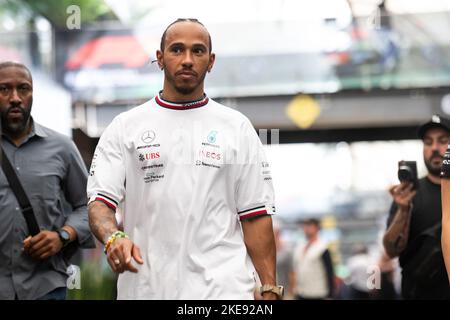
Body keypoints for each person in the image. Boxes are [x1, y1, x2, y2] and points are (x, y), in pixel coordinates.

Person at [87, 18, 280, 300]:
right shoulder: (125, 127)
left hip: (224, 292)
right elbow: (100, 204)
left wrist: (270, 287)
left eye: (198, 51)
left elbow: (255, 216)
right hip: (146, 290)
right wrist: (113, 237)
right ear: (160, 58)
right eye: (177, 50)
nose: (187, 60)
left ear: (211, 61)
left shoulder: (237, 128)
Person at [0, 61, 94, 300]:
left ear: (32, 94)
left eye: (23, 89)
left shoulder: (61, 148)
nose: (15, 98)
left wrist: (63, 235)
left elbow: (89, 206)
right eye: (4, 89)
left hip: (45, 287)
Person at [383, 114, 450, 299]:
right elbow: (391, 250)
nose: (435, 148)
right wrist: (403, 211)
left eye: (443, 141)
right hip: (418, 292)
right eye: (428, 143)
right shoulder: (409, 194)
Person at [290, 218, 335, 300]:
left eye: (309, 225)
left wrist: (330, 295)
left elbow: (330, 272)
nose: (306, 228)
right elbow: (294, 270)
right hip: (300, 293)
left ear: (317, 228)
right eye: (305, 226)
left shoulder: (323, 247)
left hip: (317, 294)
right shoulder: (300, 247)